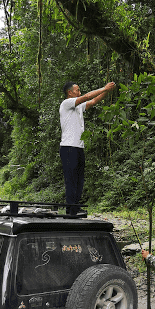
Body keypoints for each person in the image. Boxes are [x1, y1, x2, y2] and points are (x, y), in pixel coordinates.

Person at [59, 81, 116, 215]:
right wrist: (103, 87)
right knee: (71, 179)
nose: (79, 92)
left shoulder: (78, 107)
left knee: (79, 179)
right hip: (68, 147)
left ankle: (76, 207)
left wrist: (107, 91)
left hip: (78, 147)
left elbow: (93, 101)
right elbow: (86, 97)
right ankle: (71, 210)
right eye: (77, 90)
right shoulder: (66, 103)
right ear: (70, 92)